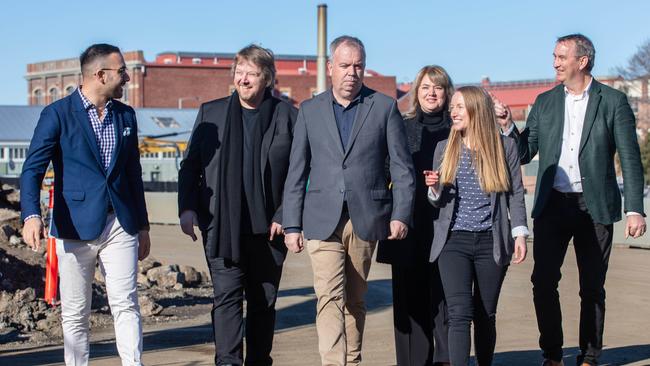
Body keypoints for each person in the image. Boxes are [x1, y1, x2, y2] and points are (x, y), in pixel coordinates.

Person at [498, 33, 646, 366]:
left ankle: (590, 356)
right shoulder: (544, 102)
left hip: (595, 207)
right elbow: (524, 153)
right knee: (542, 282)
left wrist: (635, 208)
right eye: (554, 56)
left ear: (583, 61)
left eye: (562, 57)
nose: (555, 63)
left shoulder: (613, 101)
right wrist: (509, 127)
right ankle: (552, 355)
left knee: (592, 287)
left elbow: (630, 156)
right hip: (553, 205)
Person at [282, 35, 415, 366]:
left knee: (355, 299)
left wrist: (401, 214)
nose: (351, 73)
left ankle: (352, 360)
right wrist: (292, 223)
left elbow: (402, 168)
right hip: (320, 219)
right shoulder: (310, 111)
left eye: (358, 66)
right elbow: (296, 170)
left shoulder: (383, 107)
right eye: (344, 66)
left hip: (366, 218)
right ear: (330, 68)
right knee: (328, 297)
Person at [20, 43, 151, 366]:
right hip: (73, 225)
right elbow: (32, 169)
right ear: (100, 74)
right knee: (76, 312)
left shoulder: (126, 115)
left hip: (119, 223)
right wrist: (31, 215)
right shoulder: (58, 114)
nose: (126, 79)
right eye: (121, 73)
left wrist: (143, 226)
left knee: (126, 302)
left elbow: (133, 174)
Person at [178, 44, 297, 366]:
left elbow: (300, 172)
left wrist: (285, 214)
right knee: (227, 297)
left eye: (252, 74)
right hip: (222, 223)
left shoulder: (288, 116)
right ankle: (227, 362)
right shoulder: (211, 113)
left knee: (262, 301)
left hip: (268, 229)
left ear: (268, 78)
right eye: (239, 72)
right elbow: (191, 166)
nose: (243, 80)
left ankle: (259, 361)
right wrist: (187, 208)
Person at [425, 86, 528, 366]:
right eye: (453, 107)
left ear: (476, 110)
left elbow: (516, 193)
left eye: (459, 106)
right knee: (459, 313)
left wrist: (520, 233)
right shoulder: (444, 148)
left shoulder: (504, 147)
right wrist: (433, 190)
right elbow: (437, 202)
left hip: (490, 242)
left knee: (486, 313)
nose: (453, 112)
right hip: (453, 242)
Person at [376, 65, 453, 366]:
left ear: (447, 92)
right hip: (407, 222)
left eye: (438, 87)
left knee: (445, 299)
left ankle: (447, 359)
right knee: (409, 302)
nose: (431, 93)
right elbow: (384, 169)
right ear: (416, 92)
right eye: (425, 87)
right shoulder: (402, 126)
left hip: (447, 223)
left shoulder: (459, 129)